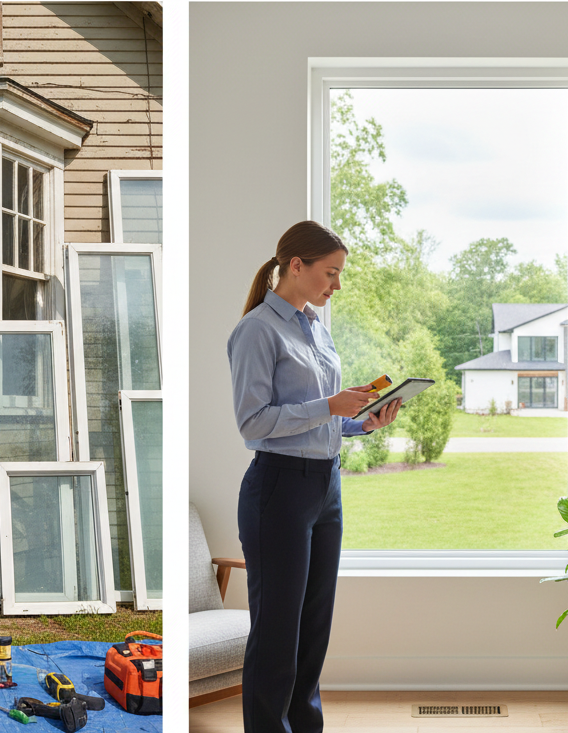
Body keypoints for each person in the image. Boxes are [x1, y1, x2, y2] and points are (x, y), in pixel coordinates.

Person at [227, 221, 402, 733]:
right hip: (279, 490)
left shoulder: (315, 328)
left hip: (326, 487)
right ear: (296, 265)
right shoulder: (257, 330)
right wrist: (328, 405)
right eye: (331, 273)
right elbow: (253, 423)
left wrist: (361, 421)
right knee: (277, 633)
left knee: (313, 629)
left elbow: (318, 417)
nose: (337, 285)